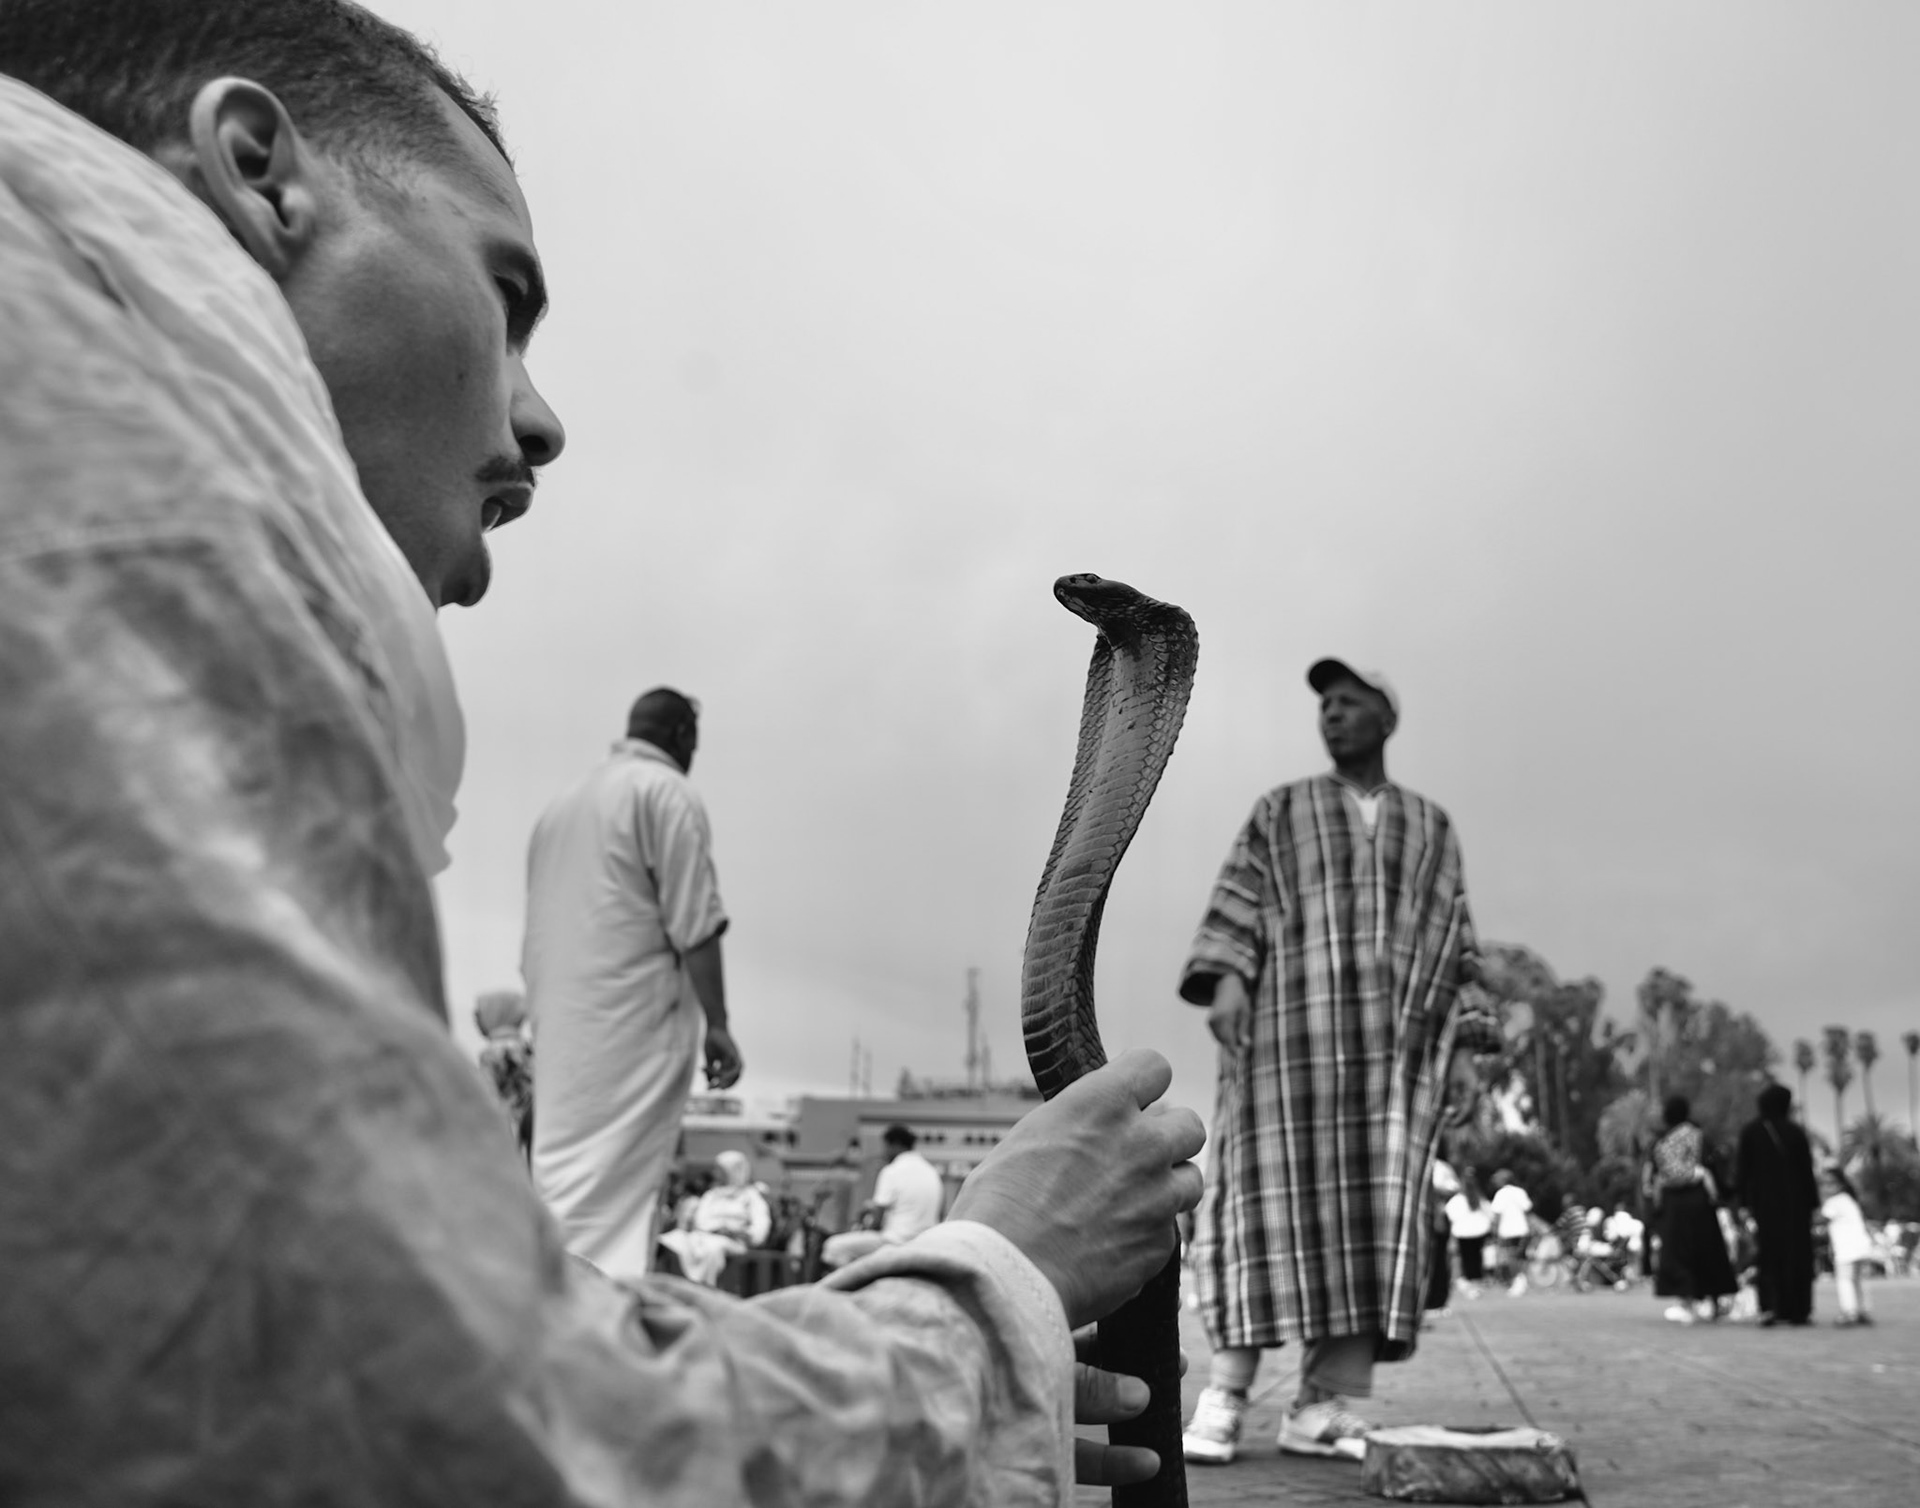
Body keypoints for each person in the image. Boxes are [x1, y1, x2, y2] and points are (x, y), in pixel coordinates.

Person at [0, 4, 1209, 1500]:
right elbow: (442, 1431)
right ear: (260, 172)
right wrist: (993, 1294)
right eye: (504, 300)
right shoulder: (90, 464)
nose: (541, 417)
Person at [1178, 659, 1498, 1468]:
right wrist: (1225, 978)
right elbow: (1240, 897)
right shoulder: (1281, 810)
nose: (1332, 715)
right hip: (1288, 1049)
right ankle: (1226, 1394)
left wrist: (1465, 1043)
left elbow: (1456, 937)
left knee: (1373, 1215)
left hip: (1394, 1062)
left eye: (1350, 703)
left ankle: (1324, 1408)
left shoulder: (1431, 826)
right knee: (1261, 1201)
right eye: (1324, 704)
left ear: (1387, 718)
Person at [523, 687, 743, 1284]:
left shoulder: (562, 806)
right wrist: (718, 1025)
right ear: (679, 738)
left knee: (562, 1182)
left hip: (562, 1023)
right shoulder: (665, 793)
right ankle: (599, 1329)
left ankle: (546, 1310)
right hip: (630, 1020)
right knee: (621, 1191)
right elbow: (696, 922)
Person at [1643, 1095, 1738, 1324]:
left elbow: (1656, 1174)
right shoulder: (1699, 1136)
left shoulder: (1663, 1142)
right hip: (1700, 1200)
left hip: (1674, 1203)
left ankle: (1687, 1302)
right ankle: (1715, 1302)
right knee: (1708, 1249)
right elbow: (1713, 1165)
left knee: (1679, 1253)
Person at [1734, 1082, 1818, 1326]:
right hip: (1797, 1206)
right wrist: (1813, 1204)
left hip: (1765, 1206)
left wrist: (1742, 1202)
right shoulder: (1795, 1132)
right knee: (1798, 1255)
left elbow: (1743, 1171)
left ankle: (1770, 1306)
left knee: (1769, 1255)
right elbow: (1806, 1172)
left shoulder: (1751, 1132)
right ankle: (1798, 1309)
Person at [822, 1123, 948, 1269]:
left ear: (896, 1145)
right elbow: (940, 1214)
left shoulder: (892, 1170)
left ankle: (852, 1286)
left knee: (833, 1246)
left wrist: (865, 1222)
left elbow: (877, 1221)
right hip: (925, 1242)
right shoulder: (932, 1172)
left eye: (886, 1146)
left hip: (896, 1241)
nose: (885, 1152)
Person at [658, 1150, 774, 1286]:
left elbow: (760, 1227)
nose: (716, 1174)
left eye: (721, 1170)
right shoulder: (711, 1195)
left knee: (713, 1249)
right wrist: (714, 1229)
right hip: (703, 1236)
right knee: (672, 1239)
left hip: (733, 1241)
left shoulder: (750, 1196)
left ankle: (704, 1287)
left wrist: (737, 1232)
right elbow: (700, 1220)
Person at [475, 989, 536, 1161]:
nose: (476, 1020)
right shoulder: (530, 1047)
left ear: (495, 1014)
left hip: (508, 1124)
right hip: (536, 1121)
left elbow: (490, 1096)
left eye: (479, 1014)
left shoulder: (490, 1054)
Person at [1820, 1165, 1876, 1327]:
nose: (1826, 1187)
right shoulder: (1849, 1199)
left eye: (1830, 1183)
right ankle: (1864, 1310)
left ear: (1841, 1184)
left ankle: (1849, 1311)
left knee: (1845, 1280)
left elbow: (1822, 1219)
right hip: (1862, 1246)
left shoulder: (1834, 1202)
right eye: (1823, 1184)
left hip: (1847, 1249)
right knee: (1859, 1280)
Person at [1445, 1171, 1495, 1298]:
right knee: (1477, 1259)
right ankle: (1476, 1283)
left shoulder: (1457, 1200)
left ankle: (1471, 1286)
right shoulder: (1480, 1199)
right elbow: (1490, 1214)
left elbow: (1450, 1215)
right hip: (1479, 1233)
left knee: (1467, 1259)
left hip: (1463, 1233)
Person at [1489, 1169, 1536, 1295]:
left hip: (1507, 1230)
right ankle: (1521, 1280)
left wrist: (1494, 1231)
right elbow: (1528, 1210)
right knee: (1521, 1257)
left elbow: (1497, 1214)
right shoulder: (1520, 1192)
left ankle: (1518, 1281)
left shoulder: (1500, 1194)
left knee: (1512, 1257)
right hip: (1523, 1229)